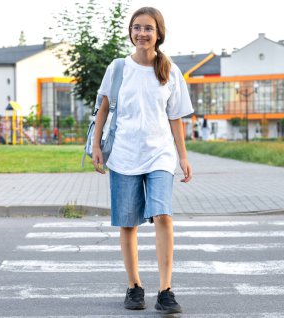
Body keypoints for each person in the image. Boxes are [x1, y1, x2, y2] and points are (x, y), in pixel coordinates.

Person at [92, 7, 193, 315]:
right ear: (131, 32)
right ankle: (135, 287)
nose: (142, 33)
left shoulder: (169, 70)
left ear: (158, 33)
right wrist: (97, 146)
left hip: (159, 155)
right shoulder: (118, 68)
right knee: (128, 224)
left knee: (163, 216)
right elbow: (104, 108)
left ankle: (166, 290)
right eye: (137, 28)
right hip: (123, 154)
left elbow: (175, 117)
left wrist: (183, 157)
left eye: (148, 28)